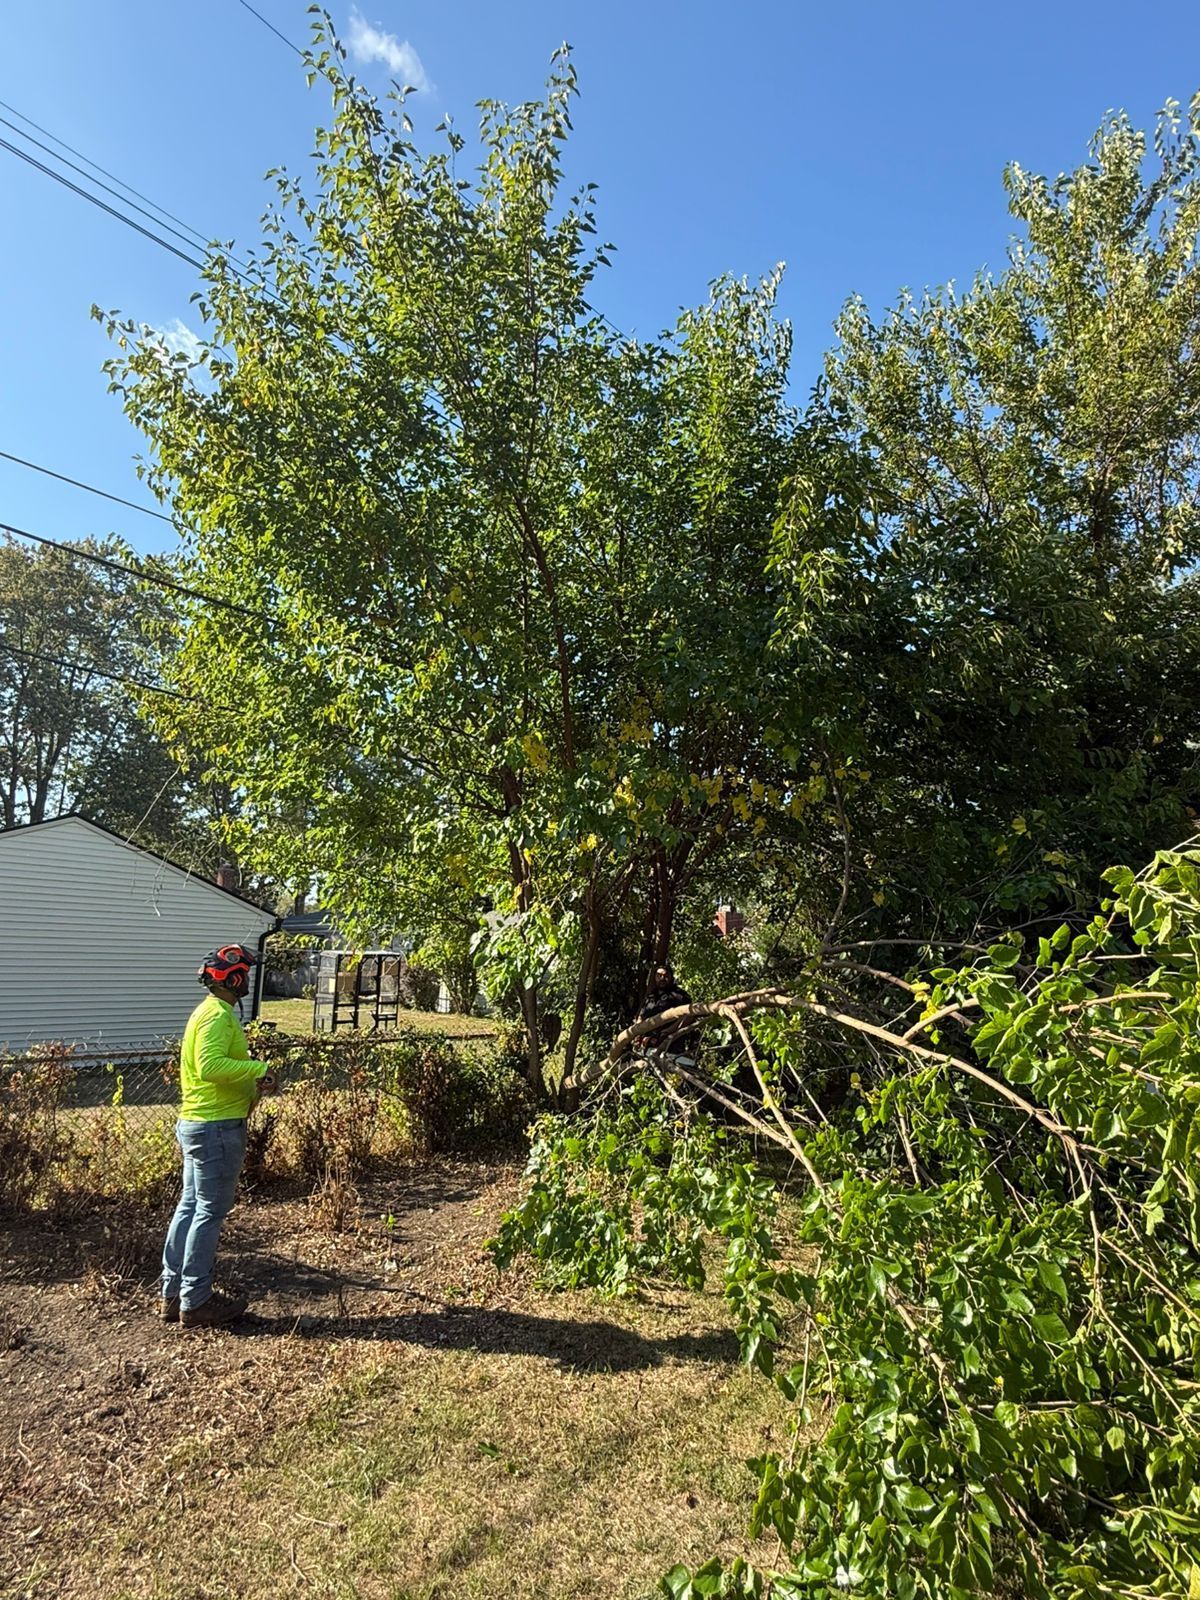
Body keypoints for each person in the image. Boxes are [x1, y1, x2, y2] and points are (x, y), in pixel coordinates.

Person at [160, 944, 277, 1329]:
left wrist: (248, 1078)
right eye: (245, 973)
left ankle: (173, 1293)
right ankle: (196, 1301)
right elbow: (210, 1066)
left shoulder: (209, 1012)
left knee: (190, 1208)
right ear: (235, 978)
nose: (248, 981)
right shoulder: (217, 1017)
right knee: (208, 1213)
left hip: (201, 1123)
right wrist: (257, 1068)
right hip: (216, 1127)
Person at [635, 964, 697, 1055]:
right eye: (659, 975)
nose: (662, 978)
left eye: (665, 976)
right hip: (646, 1046)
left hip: (671, 1047)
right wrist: (637, 1035)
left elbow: (688, 1018)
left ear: (671, 977)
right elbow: (641, 1016)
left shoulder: (680, 996)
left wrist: (666, 1033)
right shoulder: (651, 996)